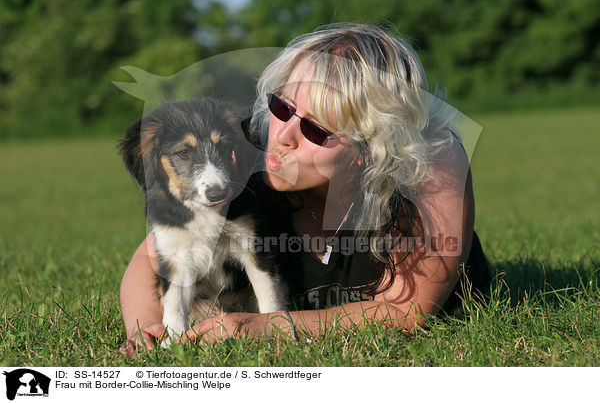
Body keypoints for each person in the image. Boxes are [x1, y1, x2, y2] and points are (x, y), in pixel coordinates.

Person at [119, 23, 490, 356]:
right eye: (282, 106)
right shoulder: (240, 146)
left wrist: (261, 327)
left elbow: (405, 311)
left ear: (369, 147)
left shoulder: (435, 162)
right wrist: (148, 330)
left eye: (315, 129)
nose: (282, 136)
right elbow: (149, 260)